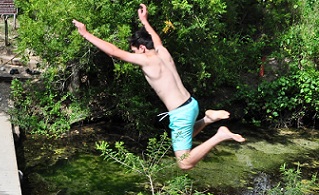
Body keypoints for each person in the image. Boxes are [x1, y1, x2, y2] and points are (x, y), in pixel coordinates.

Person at [72, 4, 245, 170]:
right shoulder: (163, 52)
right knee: (184, 137)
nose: (133, 55)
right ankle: (208, 119)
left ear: (141, 48)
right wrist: (145, 21)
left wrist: (85, 34)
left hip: (181, 113)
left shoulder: (147, 60)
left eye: (134, 51)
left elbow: (114, 52)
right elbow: (157, 41)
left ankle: (220, 134)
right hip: (191, 104)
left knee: (184, 163)